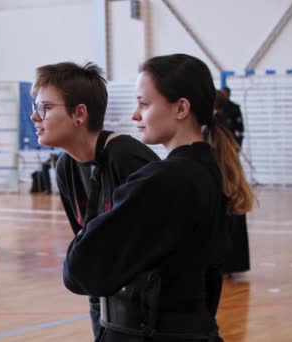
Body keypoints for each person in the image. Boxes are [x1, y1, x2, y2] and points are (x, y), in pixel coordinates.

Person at [63, 54, 255, 341]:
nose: (135, 115)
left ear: (180, 108)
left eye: (144, 103)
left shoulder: (162, 181)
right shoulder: (213, 171)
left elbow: (81, 270)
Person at [30, 61, 160, 339]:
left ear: (79, 114)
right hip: (105, 299)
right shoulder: (66, 166)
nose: (35, 117)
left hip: (150, 308)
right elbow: (86, 243)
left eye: (45, 108)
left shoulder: (126, 157)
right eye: (35, 108)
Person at [214, 90, 251, 276]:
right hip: (229, 176)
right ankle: (231, 265)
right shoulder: (217, 126)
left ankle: (229, 265)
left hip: (224, 178)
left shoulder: (216, 127)